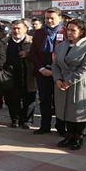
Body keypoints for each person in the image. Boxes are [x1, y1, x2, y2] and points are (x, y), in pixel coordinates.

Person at [52, 19, 86, 150]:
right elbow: (55, 64)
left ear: (82, 31)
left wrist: (68, 81)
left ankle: (78, 138)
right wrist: (58, 79)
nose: (69, 33)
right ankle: (69, 135)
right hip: (62, 83)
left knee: (78, 111)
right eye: (68, 30)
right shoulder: (61, 46)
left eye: (73, 30)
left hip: (79, 84)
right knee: (65, 111)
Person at [30, 7, 67, 135]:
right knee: (44, 100)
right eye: (47, 18)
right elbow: (33, 53)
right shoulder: (39, 33)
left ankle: (61, 126)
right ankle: (44, 126)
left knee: (59, 101)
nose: (49, 21)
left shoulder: (66, 32)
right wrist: (41, 68)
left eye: (52, 18)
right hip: (43, 71)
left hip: (60, 72)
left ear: (59, 18)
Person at [2, 20, 36, 129]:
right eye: (14, 28)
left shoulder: (32, 41)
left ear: (25, 29)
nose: (16, 31)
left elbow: (39, 56)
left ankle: (27, 121)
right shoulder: (4, 42)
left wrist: (29, 54)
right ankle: (15, 119)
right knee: (12, 99)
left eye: (19, 28)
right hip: (10, 76)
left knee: (29, 99)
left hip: (28, 75)